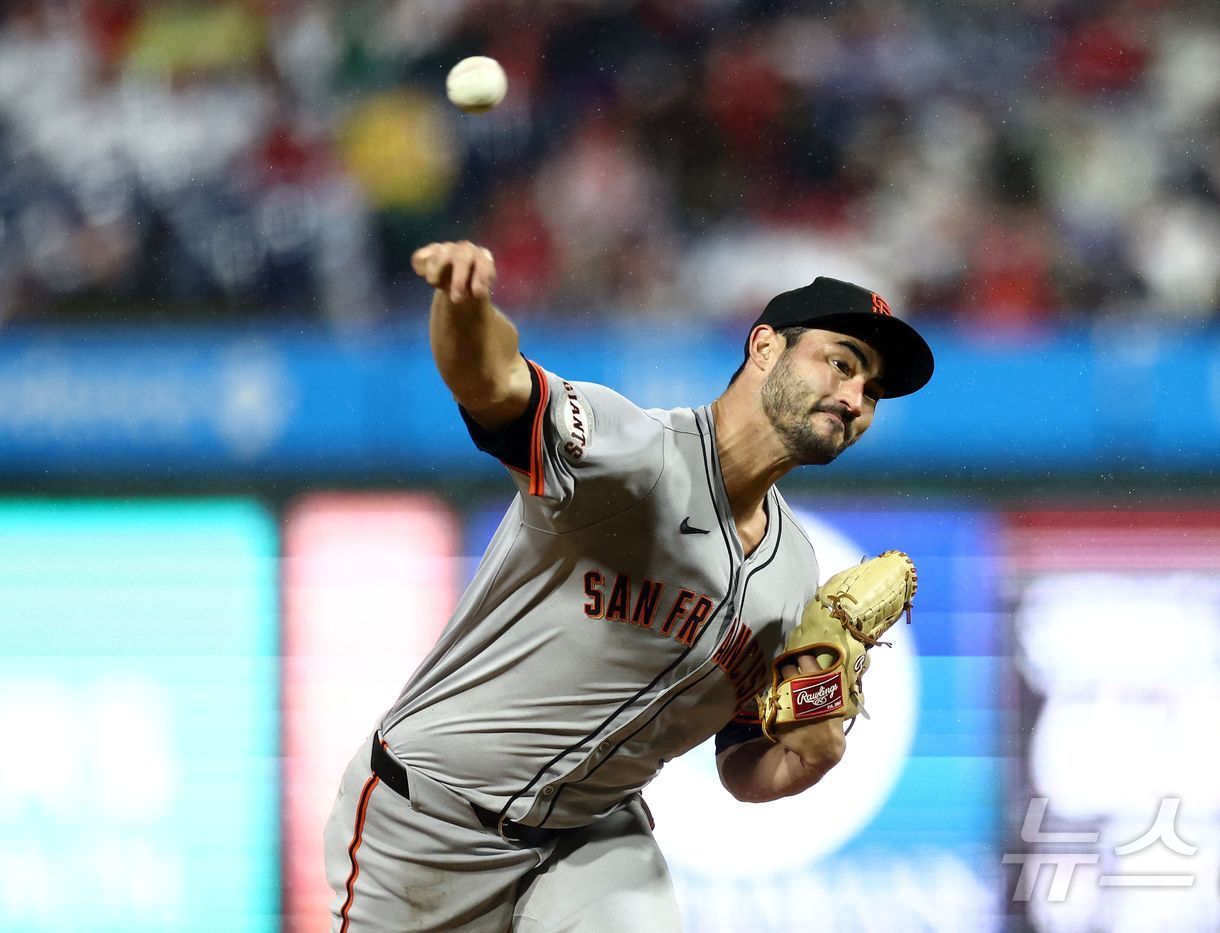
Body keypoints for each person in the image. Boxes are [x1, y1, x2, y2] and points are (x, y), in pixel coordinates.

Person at [324, 240, 935, 931]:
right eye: (842, 363)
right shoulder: (629, 450)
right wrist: (465, 306)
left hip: (591, 840)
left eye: (873, 391)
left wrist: (808, 756)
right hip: (428, 820)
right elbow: (491, 381)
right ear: (765, 346)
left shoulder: (795, 572)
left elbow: (740, 761)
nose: (855, 397)